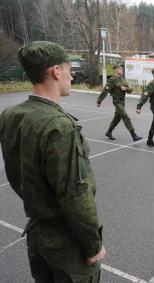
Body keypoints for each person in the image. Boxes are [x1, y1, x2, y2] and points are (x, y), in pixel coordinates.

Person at [0, 41, 105, 282]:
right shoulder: (60, 125)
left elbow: (18, 172)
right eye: (68, 69)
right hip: (66, 244)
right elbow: (76, 196)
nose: (71, 75)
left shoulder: (10, 115)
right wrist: (93, 245)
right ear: (56, 71)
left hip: (37, 235)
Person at [97, 64, 142, 141]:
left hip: (123, 101)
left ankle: (109, 132)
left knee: (117, 118)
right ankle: (133, 135)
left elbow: (130, 91)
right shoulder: (112, 80)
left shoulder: (123, 79)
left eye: (122, 69)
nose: (121, 70)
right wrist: (99, 101)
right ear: (115, 70)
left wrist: (127, 88)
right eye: (120, 69)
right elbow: (105, 90)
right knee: (125, 116)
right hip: (117, 101)